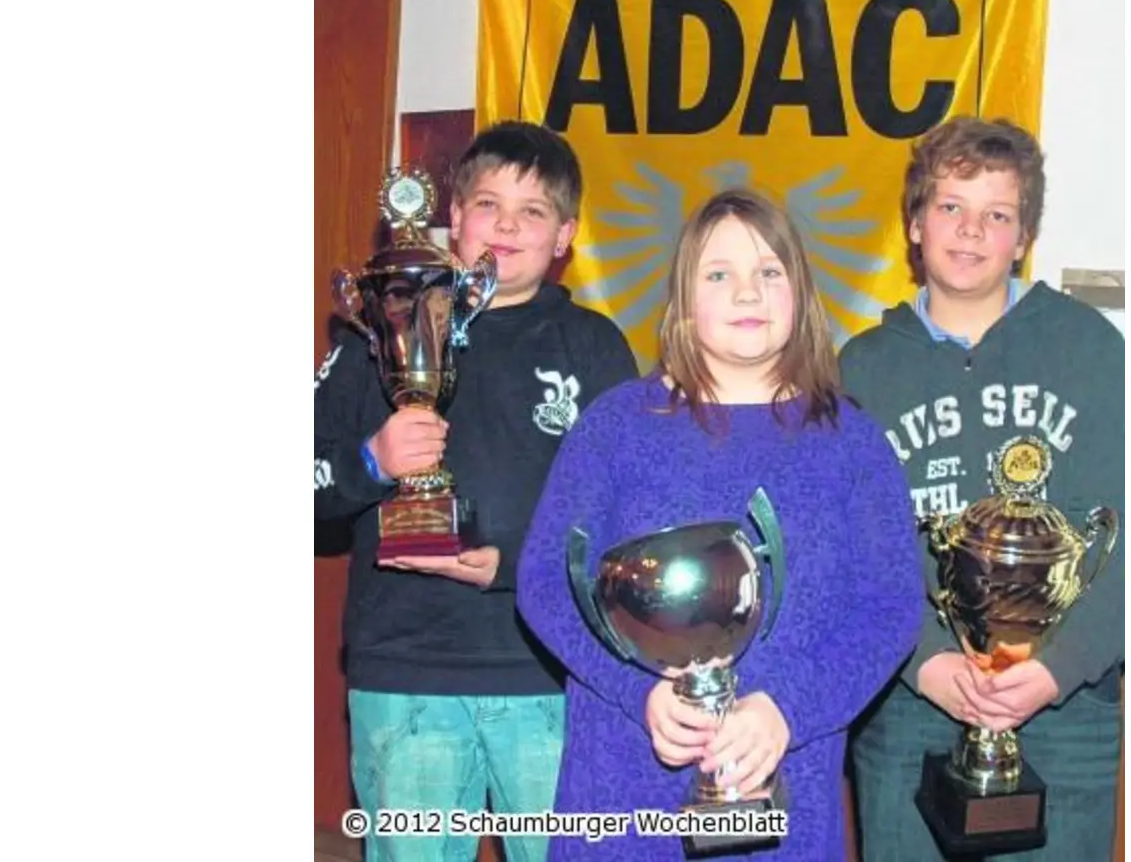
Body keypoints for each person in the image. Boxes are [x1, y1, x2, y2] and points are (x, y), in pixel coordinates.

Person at [515, 187, 926, 859]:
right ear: (683, 300)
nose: (747, 292)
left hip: (786, 779)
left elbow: (889, 608)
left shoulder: (852, 442)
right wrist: (637, 692)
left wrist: (788, 709)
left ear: (800, 293)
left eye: (769, 271)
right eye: (718, 274)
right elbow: (545, 582)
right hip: (624, 780)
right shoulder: (616, 426)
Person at [314, 120, 640, 862]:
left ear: (566, 235)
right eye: (489, 204)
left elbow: (624, 520)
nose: (508, 226)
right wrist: (371, 460)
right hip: (406, 674)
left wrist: (513, 565)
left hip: (553, 674)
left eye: (534, 211)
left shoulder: (595, 348)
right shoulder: (375, 334)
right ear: (455, 217)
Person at [841, 115, 1125, 861]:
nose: (971, 231)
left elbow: (1130, 535)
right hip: (910, 707)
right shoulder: (859, 371)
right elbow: (852, 550)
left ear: (1024, 236)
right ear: (914, 224)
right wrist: (927, 662)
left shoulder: (1093, 349)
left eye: (997, 215)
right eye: (950, 207)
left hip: (1065, 712)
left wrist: (1057, 669)